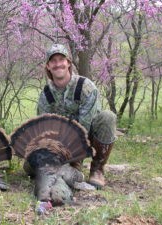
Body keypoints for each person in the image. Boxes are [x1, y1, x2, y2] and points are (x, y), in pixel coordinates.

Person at [37, 44, 117, 188]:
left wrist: (73, 157)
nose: (58, 64)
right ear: (48, 66)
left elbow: (85, 126)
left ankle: (97, 169)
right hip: (60, 144)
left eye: (61, 59)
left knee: (107, 117)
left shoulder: (85, 86)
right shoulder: (46, 94)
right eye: (53, 61)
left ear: (68, 63)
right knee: (30, 168)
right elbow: (44, 127)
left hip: (87, 139)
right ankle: (70, 167)